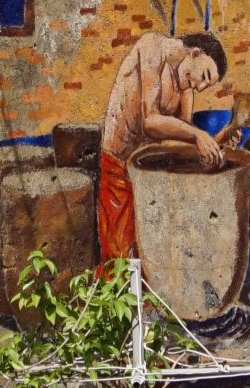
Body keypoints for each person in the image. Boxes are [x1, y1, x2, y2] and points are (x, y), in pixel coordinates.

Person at [96, 27, 228, 261]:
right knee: (119, 253)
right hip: (119, 166)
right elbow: (151, 121)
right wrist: (198, 136)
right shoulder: (153, 47)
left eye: (207, 86)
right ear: (195, 53)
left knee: (152, 255)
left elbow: (178, 144)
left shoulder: (185, 87)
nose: (200, 86)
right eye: (205, 76)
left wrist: (218, 140)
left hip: (149, 174)